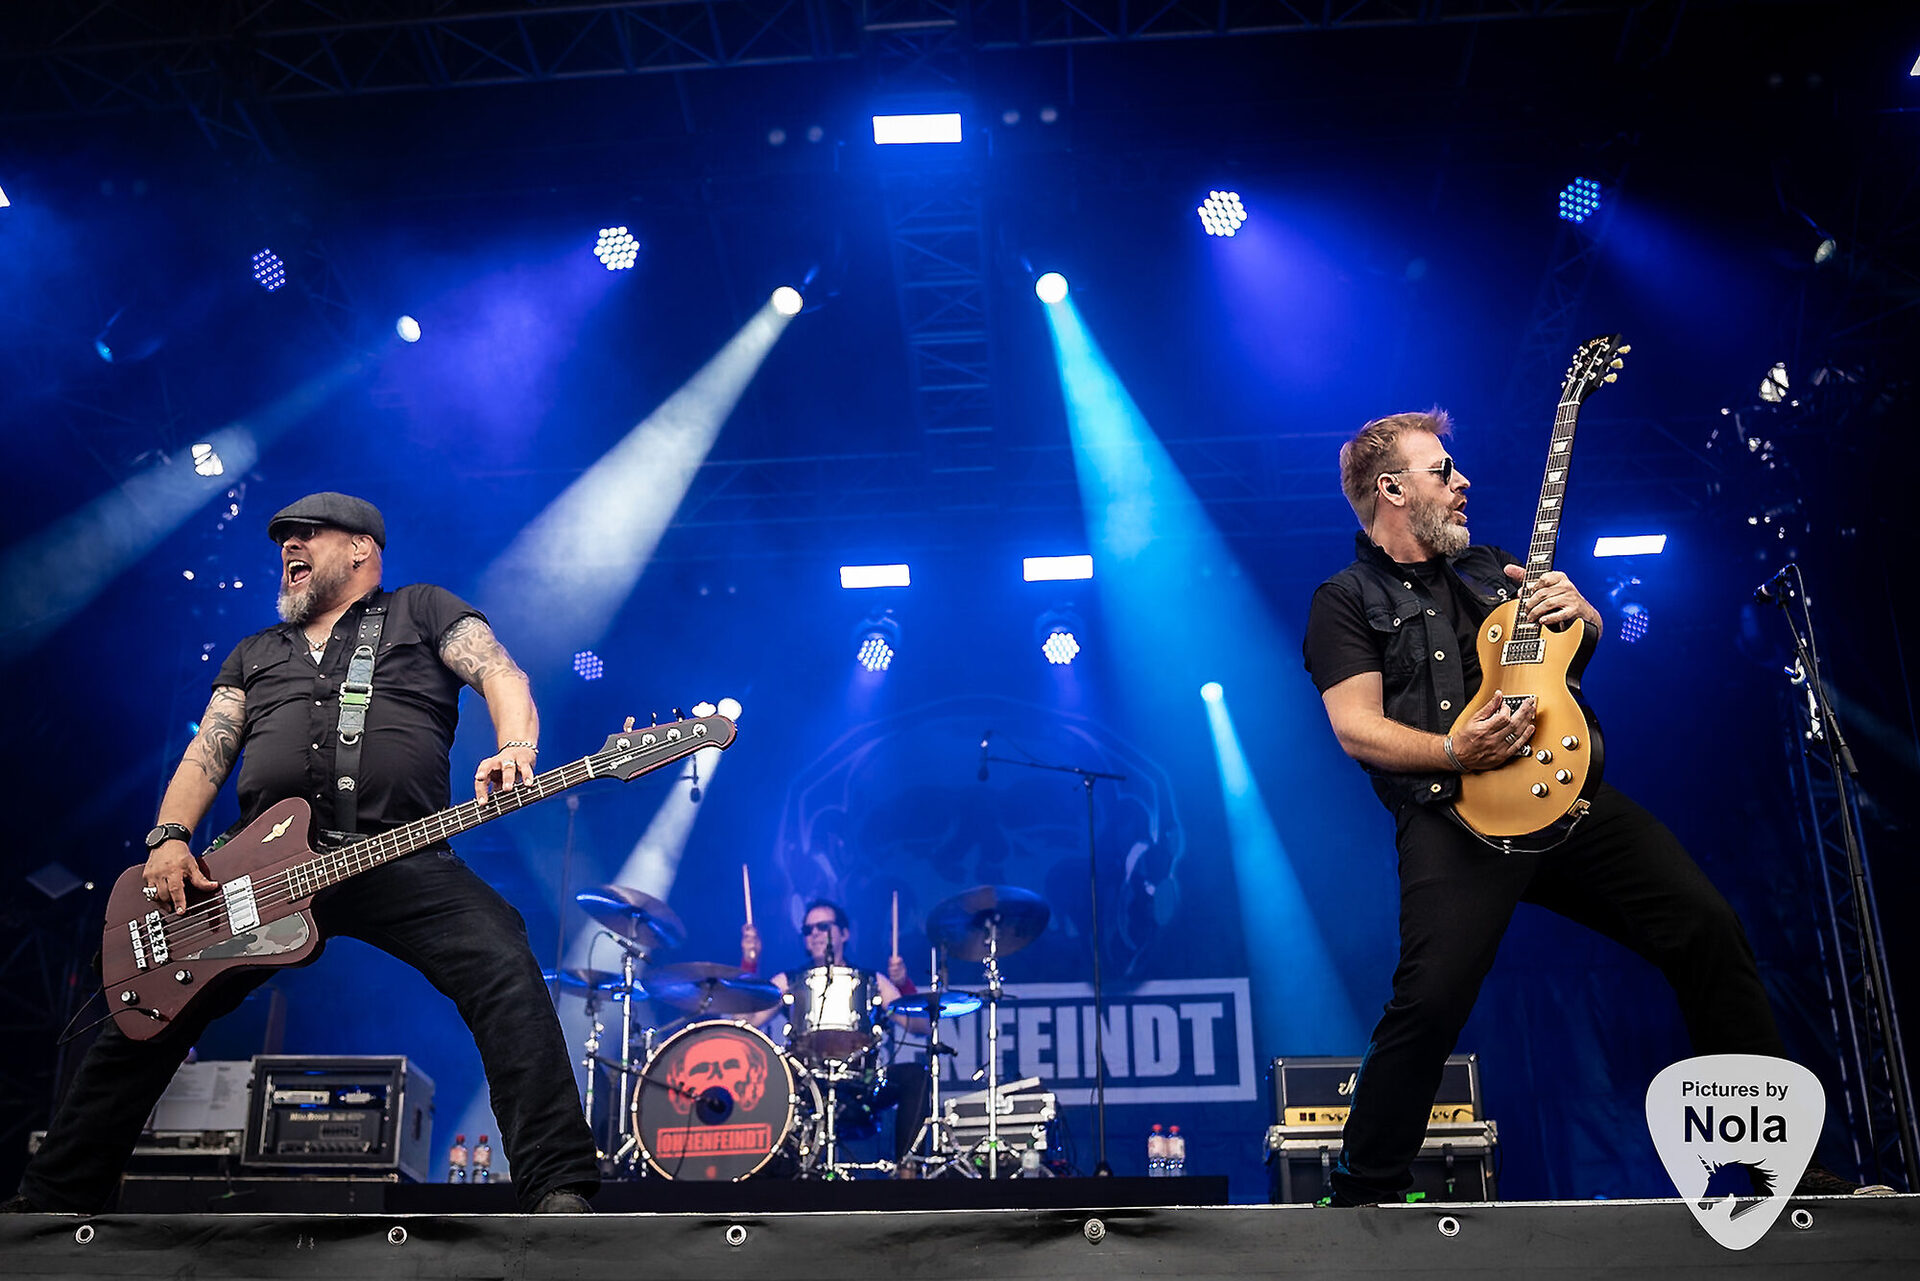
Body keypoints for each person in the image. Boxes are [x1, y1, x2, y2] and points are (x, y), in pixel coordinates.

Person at [1301, 410, 1853, 1204]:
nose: (1463, 482)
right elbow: (1356, 728)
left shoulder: (1494, 569)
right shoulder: (1346, 598)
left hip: (1564, 796)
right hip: (1457, 818)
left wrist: (1585, 614)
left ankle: (1778, 1170)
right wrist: (1455, 750)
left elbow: (1571, 654)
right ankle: (1364, 1187)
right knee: (1431, 999)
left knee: (1705, 926)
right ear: (1391, 488)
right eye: (1443, 470)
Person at [6, 492, 599, 1215]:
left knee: (503, 961)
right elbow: (207, 751)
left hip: (398, 852)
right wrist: (169, 838)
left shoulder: (422, 609)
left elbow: (502, 672)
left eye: (308, 533)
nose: (289, 544)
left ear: (360, 548)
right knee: (149, 1007)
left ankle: (559, 1187)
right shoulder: (256, 652)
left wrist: (514, 746)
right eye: (284, 537)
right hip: (259, 869)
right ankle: (50, 1202)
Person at [740, 900, 932, 1165]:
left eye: (823, 926)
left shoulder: (871, 980)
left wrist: (903, 984)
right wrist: (750, 962)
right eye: (808, 930)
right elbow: (745, 1022)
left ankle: (908, 1170)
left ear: (844, 933)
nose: (815, 934)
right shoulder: (789, 980)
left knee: (916, 1076)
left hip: (861, 1083)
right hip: (806, 1085)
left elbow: (921, 1027)